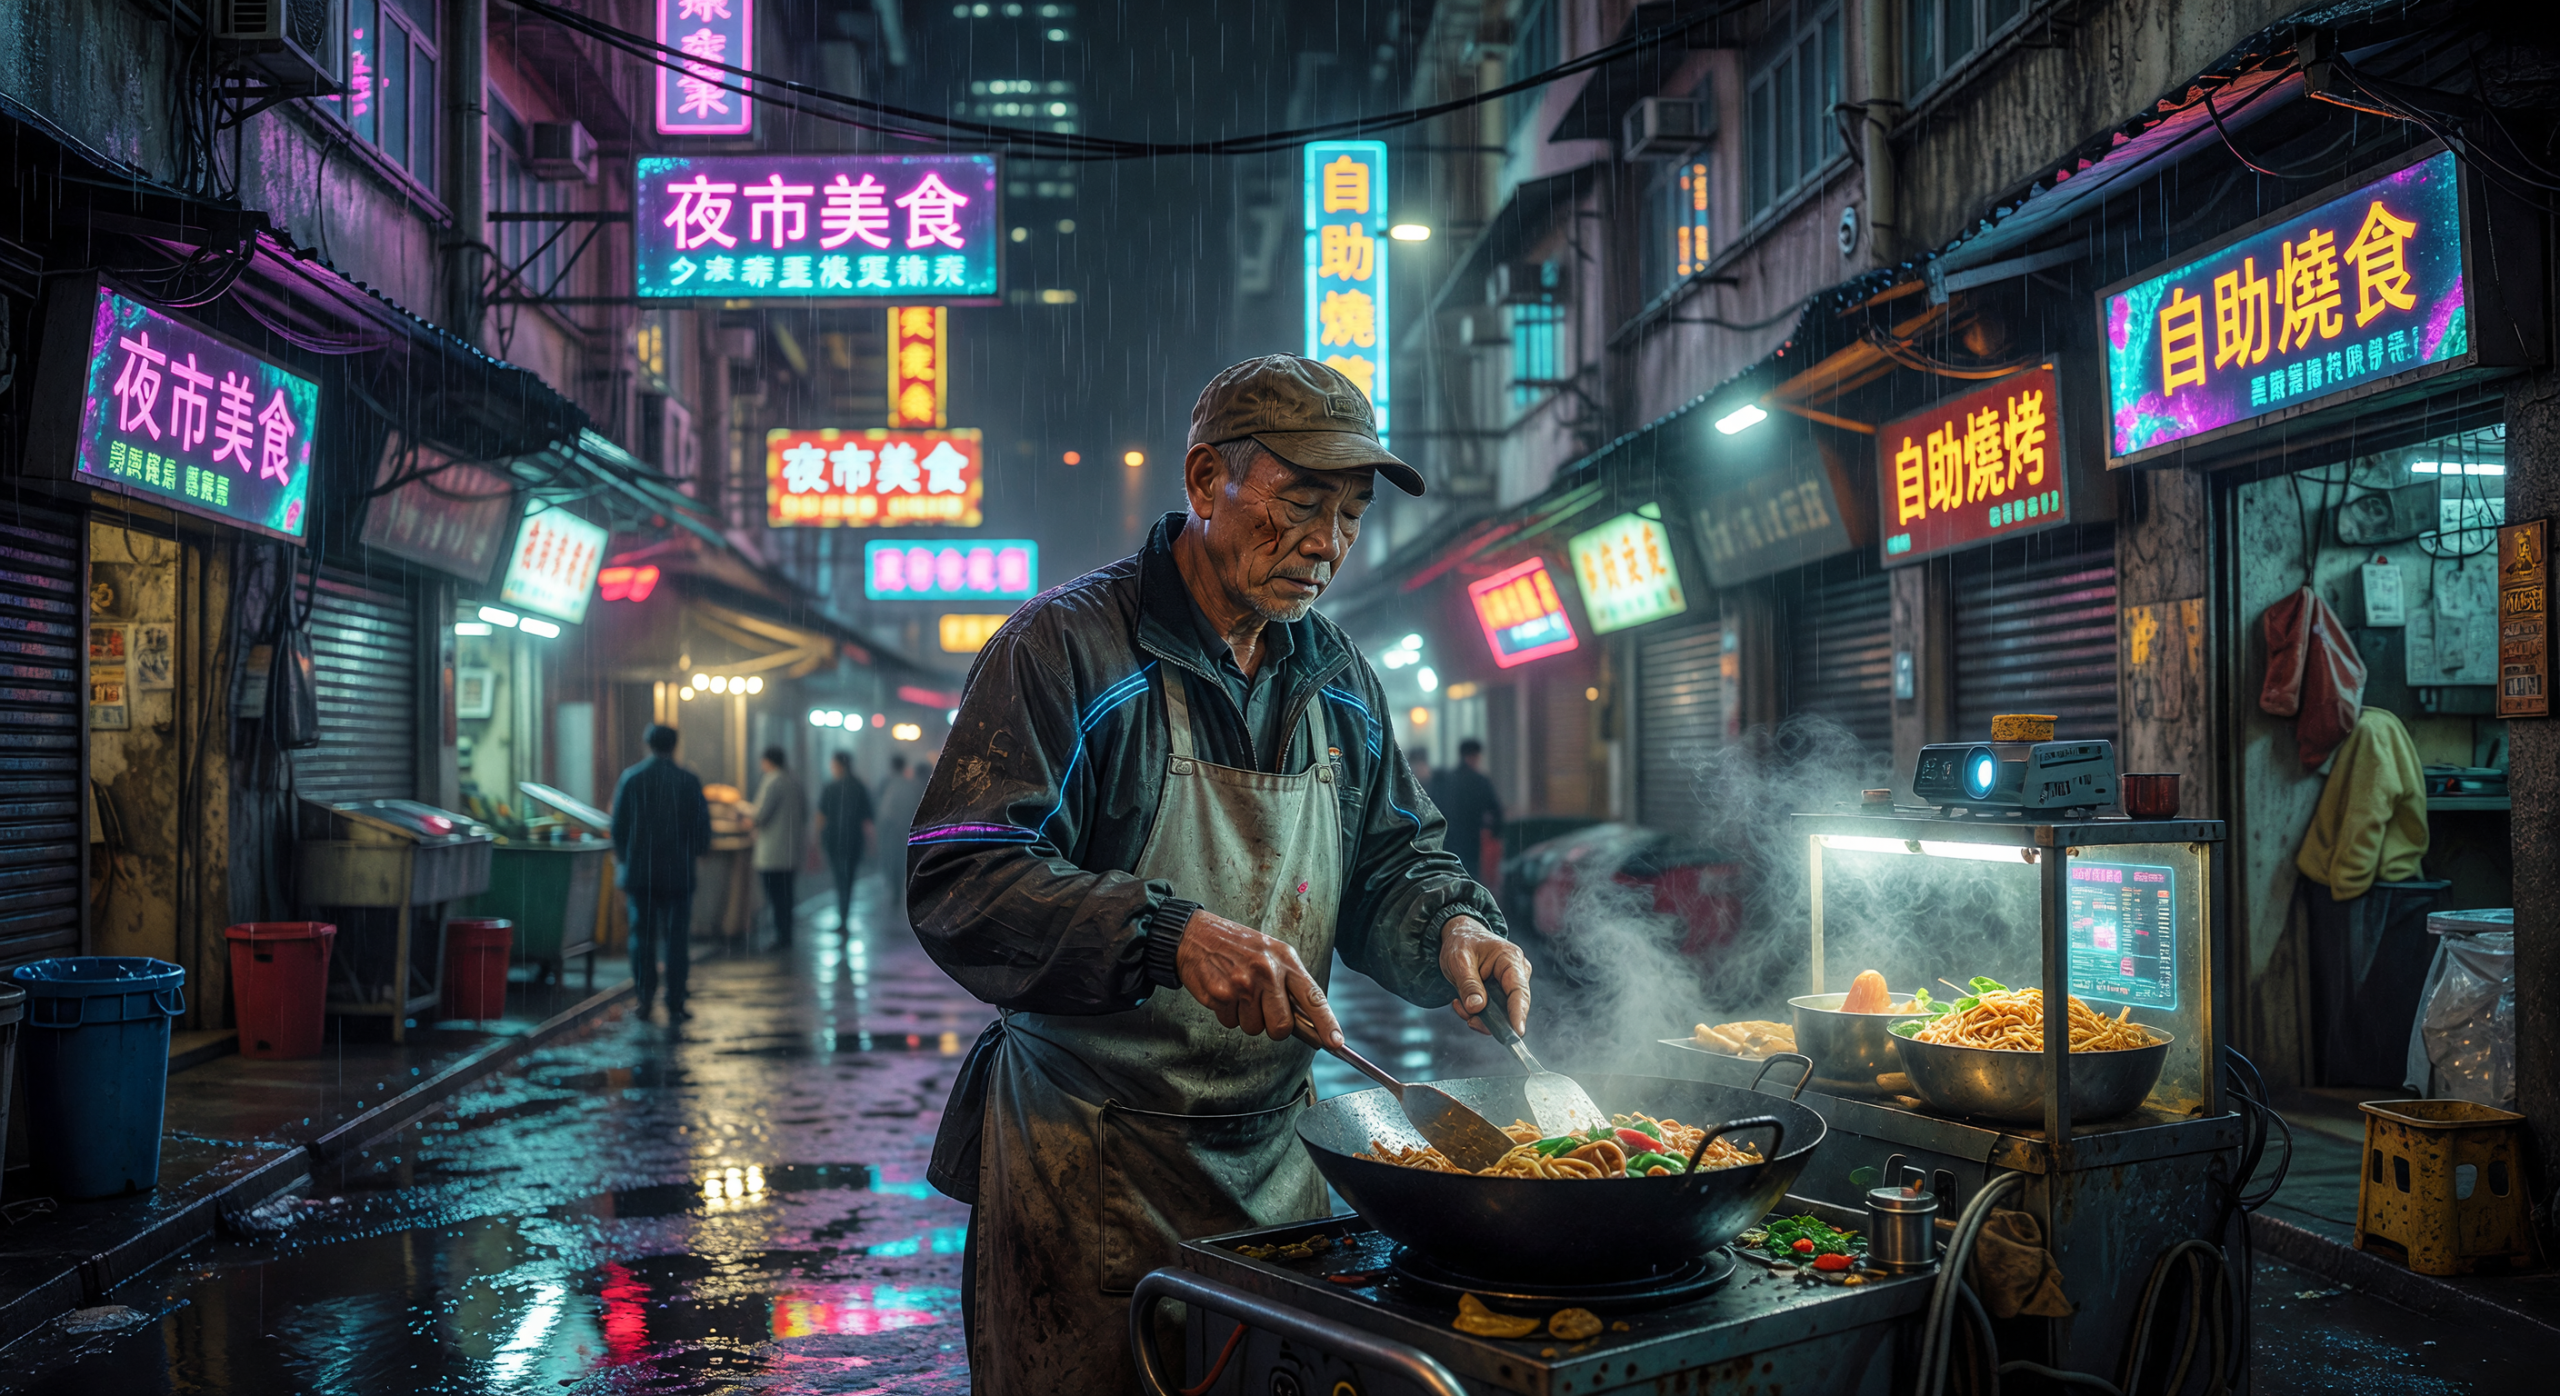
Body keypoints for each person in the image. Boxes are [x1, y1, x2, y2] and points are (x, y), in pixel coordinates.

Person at [907, 354, 1529, 1395]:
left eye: (1351, 513)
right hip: (1086, 1158)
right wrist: (1168, 936)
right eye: (1302, 503)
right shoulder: (1064, 650)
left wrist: (1450, 928)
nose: (1327, 543)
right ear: (1206, 481)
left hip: (1279, 1163)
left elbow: (1392, 859)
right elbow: (962, 878)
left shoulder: (1335, 674)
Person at [609, 724, 712, 1021]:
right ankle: (675, 1001)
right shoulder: (688, 780)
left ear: (647, 744)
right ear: (675, 745)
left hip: (641, 874)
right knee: (676, 939)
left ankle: (645, 998)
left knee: (642, 937)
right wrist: (697, 852)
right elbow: (702, 827)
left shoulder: (632, 778)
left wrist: (625, 859)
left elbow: (618, 827)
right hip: (678, 873)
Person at [751, 746, 808, 949]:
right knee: (786, 895)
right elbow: (804, 812)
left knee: (775, 896)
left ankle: (780, 936)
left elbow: (760, 815)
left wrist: (745, 814)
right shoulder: (795, 781)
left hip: (772, 852)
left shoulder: (772, 781)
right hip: (791, 851)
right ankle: (786, 934)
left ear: (768, 761)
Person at [816, 751, 876, 935]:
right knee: (849, 880)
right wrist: (872, 844)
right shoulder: (859, 787)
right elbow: (867, 819)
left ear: (838, 765)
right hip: (854, 841)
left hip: (833, 841)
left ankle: (842, 917)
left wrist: (817, 840)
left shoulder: (830, 787)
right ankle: (844, 917)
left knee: (839, 880)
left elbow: (821, 817)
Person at [1429, 737, 1505, 883]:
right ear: (1475, 756)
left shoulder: (1447, 781)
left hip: (1448, 840)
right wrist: (1494, 831)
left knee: (1451, 878)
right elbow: (1496, 811)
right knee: (1470, 877)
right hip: (1472, 840)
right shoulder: (1480, 781)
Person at [875, 752, 925, 917]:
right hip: (907, 831)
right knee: (903, 861)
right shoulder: (911, 785)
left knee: (892, 861)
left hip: (892, 832)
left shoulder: (887, 785)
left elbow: (883, 811)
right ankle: (902, 890)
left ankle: (895, 890)